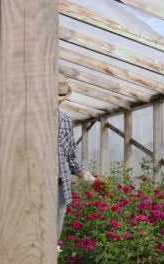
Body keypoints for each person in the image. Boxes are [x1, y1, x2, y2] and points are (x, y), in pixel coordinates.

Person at [57, 74, 107, 239]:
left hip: (58, 187)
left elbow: (70, 156)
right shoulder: (28, 118)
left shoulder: (64, 121)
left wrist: (89, 178)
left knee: (51, 238)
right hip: (31, 185)